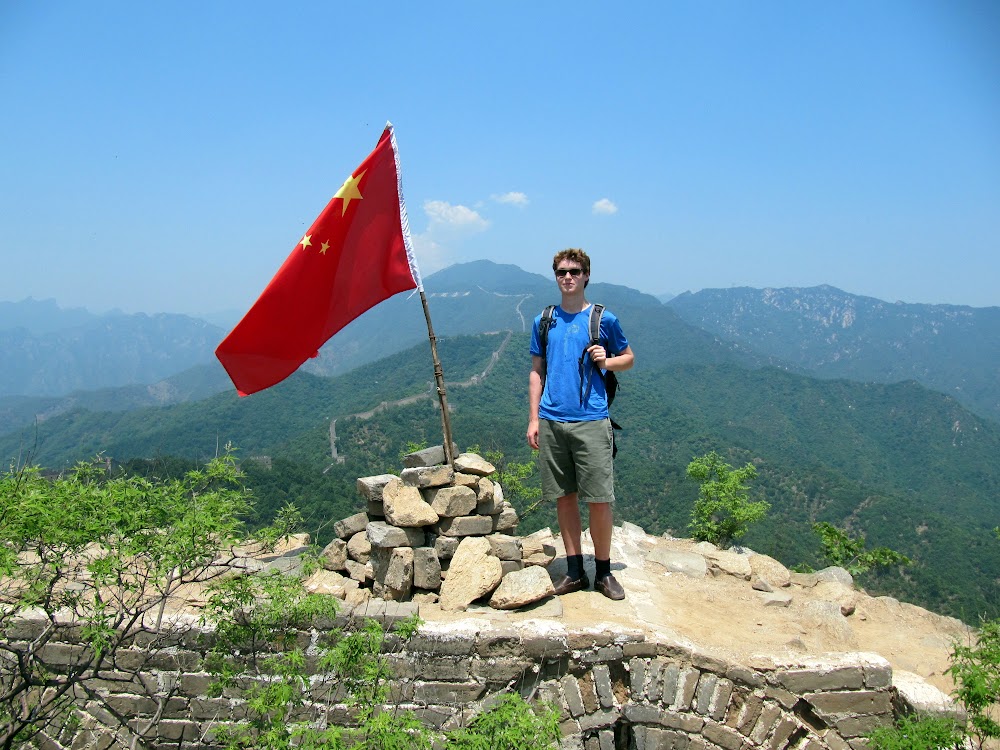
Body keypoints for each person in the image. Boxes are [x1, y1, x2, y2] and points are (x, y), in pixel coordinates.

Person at [527, 248, 635, 600]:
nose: (568, 277)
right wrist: (533, 419)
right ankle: (575, 571)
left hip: (591, 420)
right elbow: (536, 371)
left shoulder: (604, 319)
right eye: (561, 272)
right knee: (564, 497)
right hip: (552, 420)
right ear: (555, 276)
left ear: (587, 275)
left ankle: (603, 572)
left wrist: (609, 360)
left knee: (600, 500)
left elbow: (629, 359)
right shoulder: (544, 319)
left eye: (575, 271)